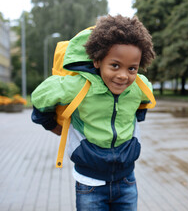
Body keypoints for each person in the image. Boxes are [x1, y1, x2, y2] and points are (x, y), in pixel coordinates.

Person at [31, 14, 155, 210]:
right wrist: (53, 125)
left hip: (127, 180)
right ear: (97, 61)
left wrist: (135, 118)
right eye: (115, 65)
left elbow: (145, 101)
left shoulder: (139, 86)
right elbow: (41, 97)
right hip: (90, 184)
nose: (123, 76)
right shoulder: (79, 85)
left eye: (132, 68)